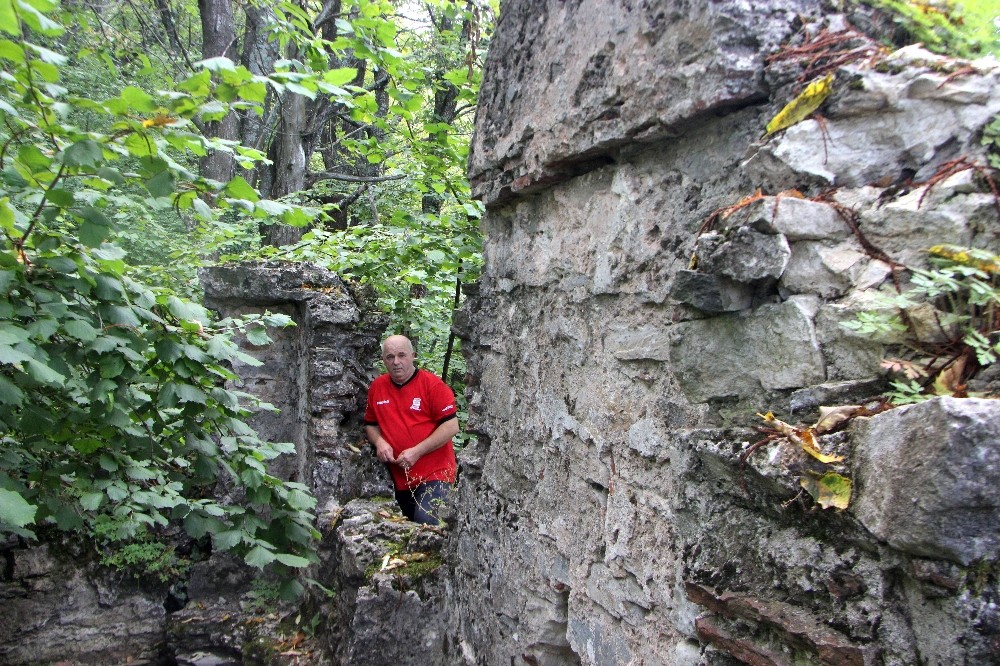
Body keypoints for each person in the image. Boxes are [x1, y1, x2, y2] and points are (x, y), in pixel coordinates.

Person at [364, 334, 459, 525]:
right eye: (390, 357)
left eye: (402, 355)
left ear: (413, 355)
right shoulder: (378, 387)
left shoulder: (432, 385)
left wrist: (417, 451)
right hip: (400, 480)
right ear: (383, 360)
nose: (396, 362)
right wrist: (379, 442)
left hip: (436, 475)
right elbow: (370, 424)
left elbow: (451, 426)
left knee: (426, 523)